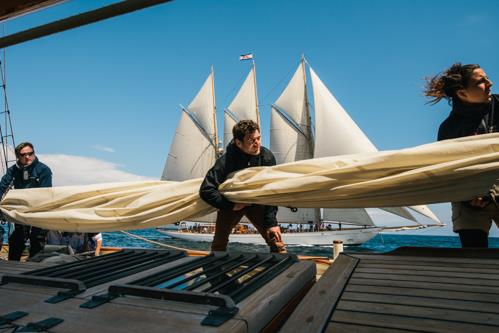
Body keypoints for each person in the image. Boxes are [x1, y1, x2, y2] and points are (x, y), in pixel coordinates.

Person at [424, 63, 498, 248]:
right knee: (474, 255)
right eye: (481, 81)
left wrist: (493, 192)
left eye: (487, 78)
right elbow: (448, 170)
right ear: (462, 93)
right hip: (468, 197)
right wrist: (469, 197)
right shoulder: (449, 128)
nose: (490, 83)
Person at [199, 120, 286, 253]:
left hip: (258, 201)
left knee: (276, 240)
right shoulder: (226, 161)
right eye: (251, 140)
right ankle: (214, 270)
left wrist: (272, 223)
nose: (257, 143)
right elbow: (206, 190)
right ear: (238, 143)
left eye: (258, 138)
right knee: (218, 245)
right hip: (232, 203)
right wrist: (231, 205)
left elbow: (271, 191)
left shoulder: (267, 157)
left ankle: (283, 270)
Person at [0, 142, 52, 260]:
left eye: (30, 153)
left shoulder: (44, 170)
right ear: (18, 156)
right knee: (16, 240)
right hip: (21, 211)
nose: (27, 156)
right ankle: (12, 267)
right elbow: (2, 186)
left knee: (37, 240)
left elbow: (46, 193)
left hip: (39, 211)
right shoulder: (13, 170)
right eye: (24, 155)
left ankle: (35, 271)